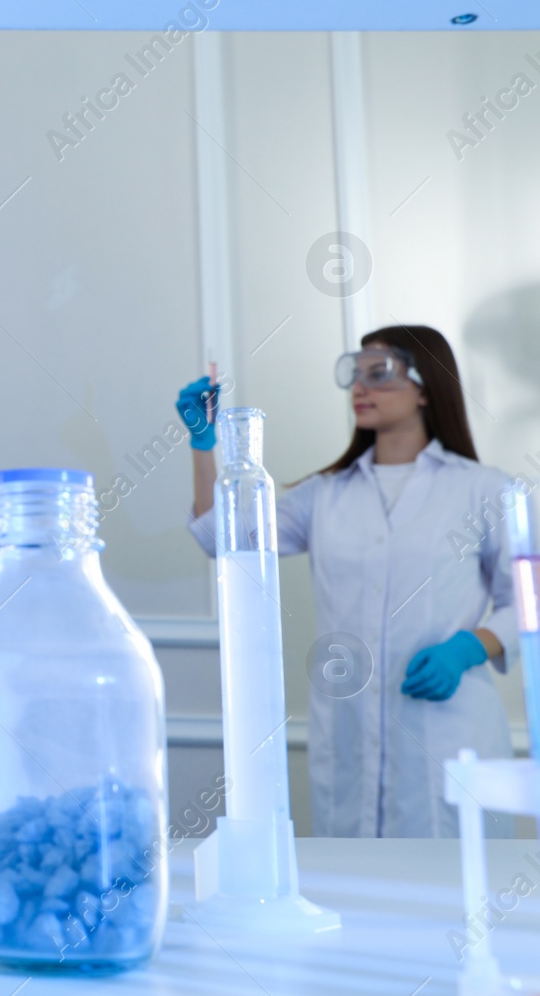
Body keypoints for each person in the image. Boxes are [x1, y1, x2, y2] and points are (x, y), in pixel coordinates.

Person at [176, 325, 515, 837]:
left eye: (378, 374)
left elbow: (529, 602)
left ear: (426, 387)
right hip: (349, 730)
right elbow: (223, 540)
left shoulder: (485, 490)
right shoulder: (325, 495)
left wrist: (471, 646)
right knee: (355, 887)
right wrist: (206, 444)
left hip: (450, 729)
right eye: (354, 375)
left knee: (453, 886)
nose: (360, 387)